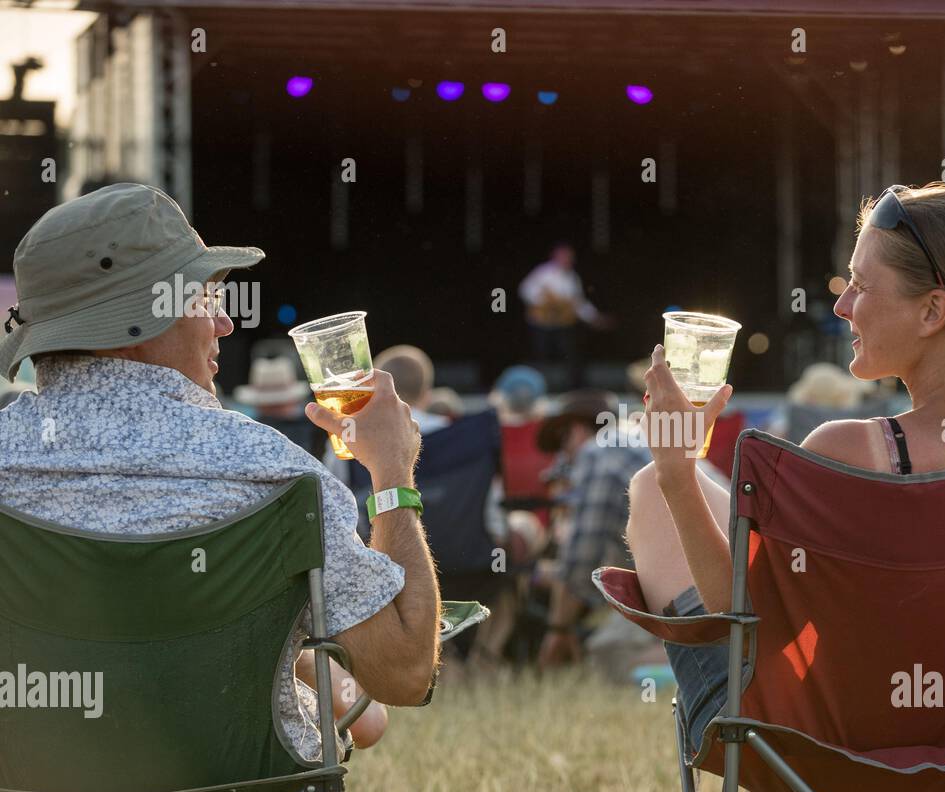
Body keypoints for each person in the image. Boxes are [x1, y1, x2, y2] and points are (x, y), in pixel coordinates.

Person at [627, 182, 945, 792]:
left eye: (861, 287)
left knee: (656, 495)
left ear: (934, 310)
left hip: (824, 743)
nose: (840, 304)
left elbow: (739, 616)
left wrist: (672, 471)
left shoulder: (847, 452)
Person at [0, 183, 440, 757]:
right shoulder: (274, 477)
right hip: (226, 787)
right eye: (206, 300)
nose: (226, 323)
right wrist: (393, 474)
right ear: (140, 321)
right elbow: (406, 672)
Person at [534, 390, 652, 667]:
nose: (562, 457)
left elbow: (581, 558)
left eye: (561, 444)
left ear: (575, 431)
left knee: (606, 653)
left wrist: (558, 628)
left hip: (695, 595)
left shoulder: (596, 452)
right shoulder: (637, 439)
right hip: (719, 578)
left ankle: (715, 664)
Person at [519, 243, 601, 389]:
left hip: (561, 324)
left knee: (570, 354)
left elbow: (578, 302)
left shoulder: (572, 277)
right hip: (542, 323)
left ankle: (574, 386)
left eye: (570, 257)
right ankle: (536, 386)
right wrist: (545, 301)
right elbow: (525, 290)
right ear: (555, 257)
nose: (568, 260)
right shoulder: (542, 272)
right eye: (565, 257)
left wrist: (593, 317)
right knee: (540, 356)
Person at [234, 354, 326, 460]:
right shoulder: (246, 430)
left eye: (278, 405)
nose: (273, 412)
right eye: (270, 406)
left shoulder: (316, 429)